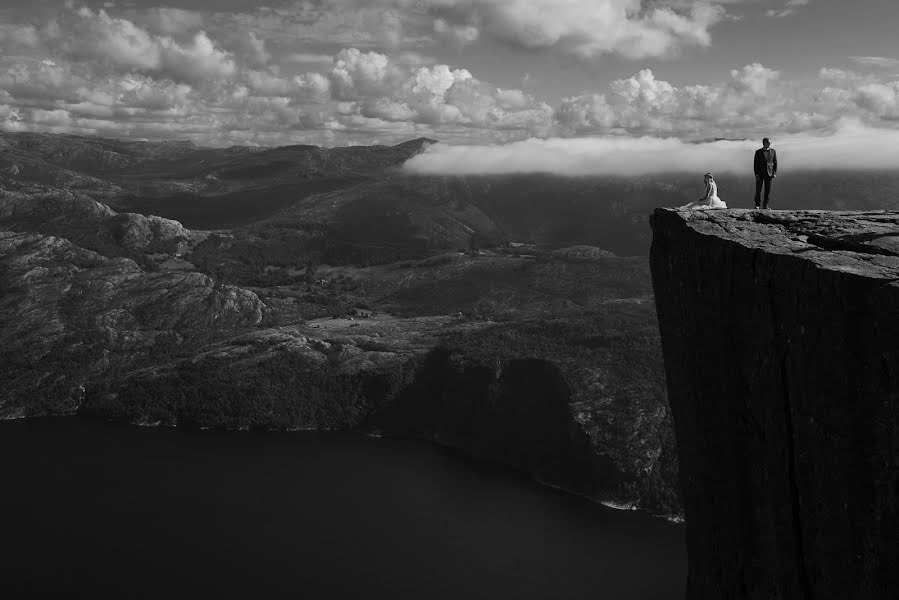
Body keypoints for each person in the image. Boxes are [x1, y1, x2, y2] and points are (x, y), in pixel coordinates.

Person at [753, 137, 777, 209]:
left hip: (769, 174)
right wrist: (756, 174)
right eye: (768, 142)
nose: (770, 144)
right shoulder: (758, 152)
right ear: (764, 143)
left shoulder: (773, 151)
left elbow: (775, 162)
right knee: (758, 190)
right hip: (760, 174)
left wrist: (774, 173)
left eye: (770, 142)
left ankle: (765, 205)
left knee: (767, 191)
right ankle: (757, 205)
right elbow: (755, 164)